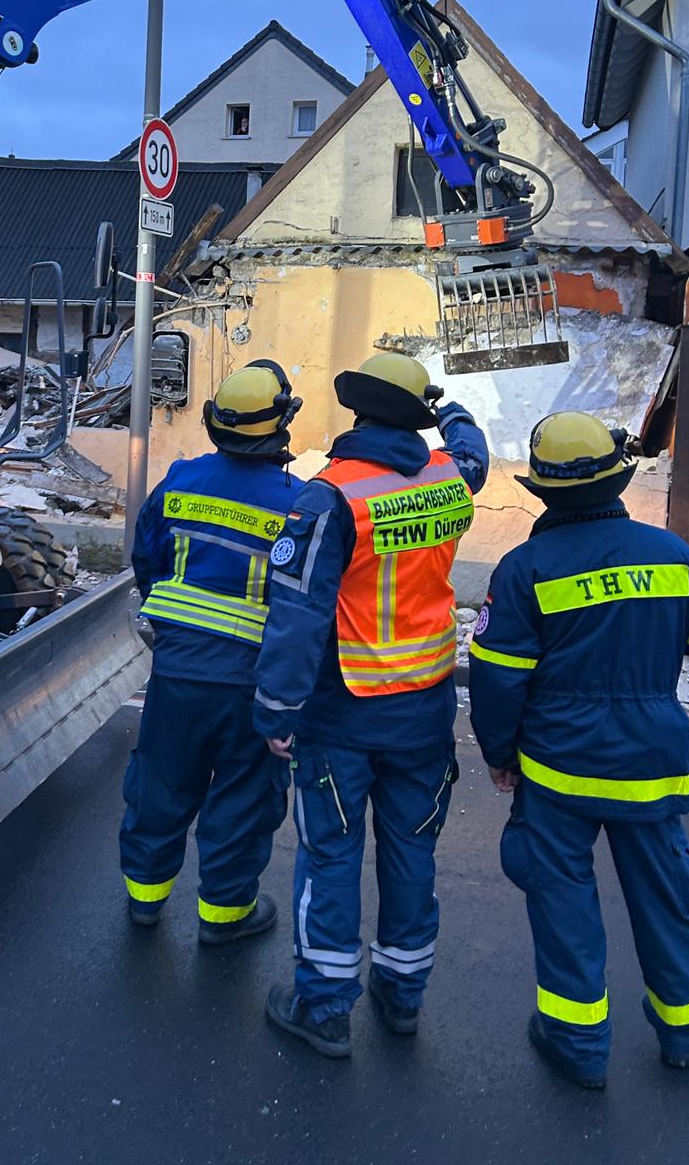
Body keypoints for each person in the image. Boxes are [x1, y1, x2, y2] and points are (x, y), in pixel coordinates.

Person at [468, 410, 689, 1090]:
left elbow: (498, 679)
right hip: (651, 762)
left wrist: (500, 753)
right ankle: (687, 1030)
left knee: (563, 900)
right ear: (617, 479)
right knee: (667, 895)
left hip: (558, 768)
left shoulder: (523, 569)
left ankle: (577, 1046)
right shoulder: (673, 554)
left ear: (543, 490)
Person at [253, 352, 488, 1058]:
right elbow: (471, 451)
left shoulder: (330, 497)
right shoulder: (450, 481)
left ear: (357, 411)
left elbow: (296, 617)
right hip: (424, 715)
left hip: (342, 717)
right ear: (418, 416)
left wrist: (275, 710)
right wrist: (448, 410)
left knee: (331, 856)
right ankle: (403, 992)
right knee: (413, 852)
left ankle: (324, 1008)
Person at [120, 360, 302, 944]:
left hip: (177, 671)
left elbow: (146, 557)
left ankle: (144, 898)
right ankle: (225, 916)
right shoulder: (299, 503)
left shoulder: (180, 479)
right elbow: (305, 604)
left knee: (162, 784)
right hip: (255, 681)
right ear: (282, 424)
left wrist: (175, 626)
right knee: (244, 800)